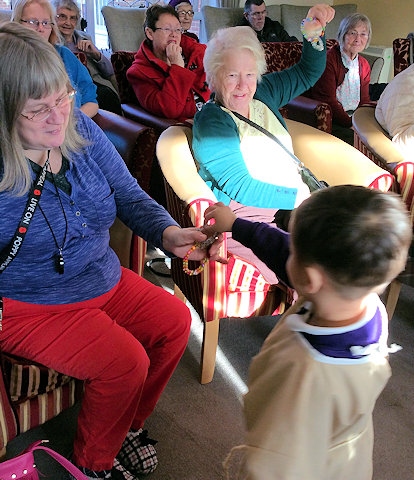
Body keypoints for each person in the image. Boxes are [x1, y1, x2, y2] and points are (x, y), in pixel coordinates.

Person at [0, 22, 221, 480]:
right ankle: (94, 463)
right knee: (126, 363)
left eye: (61, 97)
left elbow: (127, 192)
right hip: (33, 305)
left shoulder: (78, 125)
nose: (58, 117)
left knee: (176, 322)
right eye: (38, 109)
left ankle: (125, 427)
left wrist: (167, 232)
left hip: (101, 275)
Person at [203, 186, 412, 480]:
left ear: (311, 278)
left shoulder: (306, 374)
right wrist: (237, 226)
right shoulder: (362, 302)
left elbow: (276, 464)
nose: (288, 249)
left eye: (295, 249)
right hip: (349, 456)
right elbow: (284, 250)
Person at [192, 3, 335, 284]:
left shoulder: (264, 91)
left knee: (335, 244)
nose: (243, 86)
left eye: (249, 74)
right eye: (232, 75)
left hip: (290, 200)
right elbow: (240, 187)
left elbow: (307, 71)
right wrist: (302, 198)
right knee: (304, 270)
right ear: (214, 77)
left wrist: (313, 27)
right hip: (248, 210)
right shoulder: (212, 120)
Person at [12, 0, 98, 118]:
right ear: (17, 24)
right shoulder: (7, 62)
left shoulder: (64, 55)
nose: (41, 28)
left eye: (46, 22)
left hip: (74, 128)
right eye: (33, 22)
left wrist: (71, 125)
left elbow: (91, 101)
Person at [126, 4, 210, 121]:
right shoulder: (138, 73)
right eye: (167, 29)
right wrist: (177, 67)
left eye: (177, 29)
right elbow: (170, 110)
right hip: (186, 126)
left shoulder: (196, 52)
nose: (174, 34)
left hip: (215, 114)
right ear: (150, 33)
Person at [309, 13, 373, 144]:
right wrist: (351, 124)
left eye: (363, 34)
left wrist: (362, 123)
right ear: (342, 35)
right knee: (358, 142)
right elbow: (328, 100)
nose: (358, 39)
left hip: (354, 119)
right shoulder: (329, 60)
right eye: (352, 33)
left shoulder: (364, 64)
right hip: (333, 120)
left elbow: (364, 100)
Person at [53, 0, 122, 115]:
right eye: (62, 17)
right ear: (53, 18)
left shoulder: (85, 38)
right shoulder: (54, 44)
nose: (68, 23)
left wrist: (96, 54)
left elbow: (110, 72)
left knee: (108, 96)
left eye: (73, 18)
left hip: (97, 84)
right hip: (76, 88)